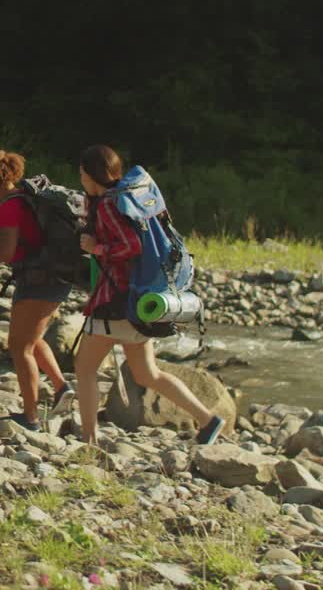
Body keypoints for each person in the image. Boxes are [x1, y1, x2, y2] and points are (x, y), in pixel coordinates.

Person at [73, 144, 224, 445]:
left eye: (81, 172)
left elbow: (131, 246)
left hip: (115, 302)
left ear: (92, 175)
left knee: (85, 369)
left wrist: (96, 248)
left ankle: (89, 440)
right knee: (147, 375)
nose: (79, 177)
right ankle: (208, 420)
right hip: (138, 299)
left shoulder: (108, 205)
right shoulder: (131, 199)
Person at [0, 150, 74, 431]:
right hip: (55, 276)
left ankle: (30, 417)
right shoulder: (28, 198)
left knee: (20, 347)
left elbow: (5, 253)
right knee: (31, 337)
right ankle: (61, 386)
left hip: (38, 281)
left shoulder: (10, 205)